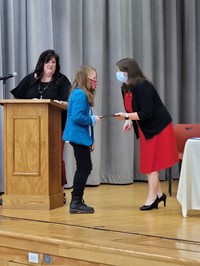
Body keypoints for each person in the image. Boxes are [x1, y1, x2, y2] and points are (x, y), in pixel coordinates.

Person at [114, 58, 179, 211]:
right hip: (145, 128)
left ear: (129, 72)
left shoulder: (143, 86)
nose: (118, 74)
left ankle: (152, 198)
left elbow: (146, 113)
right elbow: (131, 110)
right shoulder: (124, 88)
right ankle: (159, 194)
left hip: (158, 127)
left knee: (151, 164)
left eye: (120, 71)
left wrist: (127, 117)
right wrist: (128, 120)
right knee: (149, 162)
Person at [10, 49, 71, 204]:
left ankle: (60, 191)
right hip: (29, 129)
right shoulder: (31, 79)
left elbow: (69, 103)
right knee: (31, 157)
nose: (50, 65)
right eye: (47, 61)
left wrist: (55, 103)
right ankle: (33, 190)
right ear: (41, 63)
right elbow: (16, 98)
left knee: (56, 158)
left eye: (53, 62)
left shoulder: (62, 80)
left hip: (56, 126)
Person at [62, 65, 100, 214]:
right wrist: (92, 119)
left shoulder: (81, 94)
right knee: (84, 168)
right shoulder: (79, 94)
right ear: (85, 78)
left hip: (81, 137)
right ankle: (76, 201)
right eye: (93, 78)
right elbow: (77, 117)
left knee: (84, 167)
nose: (95, 81)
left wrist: (91, 140)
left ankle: (77, 200)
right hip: (77, 136)